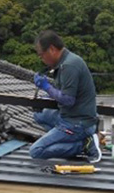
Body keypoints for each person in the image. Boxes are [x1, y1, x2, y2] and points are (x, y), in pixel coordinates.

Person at [29, 30, 102, 163]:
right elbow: (62, 93)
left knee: (36, 151)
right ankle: (72, 139)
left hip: (78, 123)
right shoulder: (63, 63)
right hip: (70, 115)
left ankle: (84, 145)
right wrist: (47, 96)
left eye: (42, 55)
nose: (42, 59)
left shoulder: (69, 65)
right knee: (39, 115)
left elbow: (68, 100)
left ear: (52, 49)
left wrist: (46, 87)